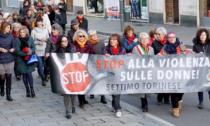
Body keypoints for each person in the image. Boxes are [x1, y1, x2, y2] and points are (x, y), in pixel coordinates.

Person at [158, 31, 189, 117]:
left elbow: (188, 57)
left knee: (181, 90)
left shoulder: (181, 46)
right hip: (170, 74)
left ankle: (179, 100)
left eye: (173, 37)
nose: (171, 39)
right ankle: (175, 108)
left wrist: (191, 54)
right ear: (167, 39)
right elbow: (159, 57)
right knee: (174, 91)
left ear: (176, 38)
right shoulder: (164, 48)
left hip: (181, 72)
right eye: (170, 37)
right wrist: (158, 56)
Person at [102, 34, 127, 118]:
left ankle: (114, 105)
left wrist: (128, 57)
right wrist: (105, 57)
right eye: (111, 39)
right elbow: (101, 60)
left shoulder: (122, 50)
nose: (112, 41)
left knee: (117, 91)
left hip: (119, 73)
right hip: (110, 73)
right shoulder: (106, 50)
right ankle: (118, 108)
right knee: (115, 91)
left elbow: (125, 61)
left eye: (114, 39)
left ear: (118, 41)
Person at [54, 35, 77, 119]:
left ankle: (73, 105)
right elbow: (51, 64)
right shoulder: (55, 52)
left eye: (66, 41)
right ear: (60, 43)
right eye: (63, 41)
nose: (66, 42)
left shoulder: (73, 50)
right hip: (63, 76)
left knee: (74, 93)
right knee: (66, 93)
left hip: (73, 75)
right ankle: (68, 111)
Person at [72, 30, 95, 108]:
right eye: (80, 36)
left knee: (85, 83)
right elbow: (70, 55)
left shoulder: (88, 44)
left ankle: (83, 98)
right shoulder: (73, 45)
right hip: (77, 67)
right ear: (76, 37)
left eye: (83, 36)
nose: (82, 38)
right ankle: (81, 101)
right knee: (80, 83)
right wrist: (74, 54)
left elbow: (93, 54)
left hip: (87, 66)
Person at [132, 32, 154, 112]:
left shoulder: (151, 49)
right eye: (142, 38)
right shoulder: (136, 49)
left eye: (146, 38)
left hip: (148, 72)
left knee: (146, 88)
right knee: (142, 89)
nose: (144, 40)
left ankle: (144, 103)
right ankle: (145, 104)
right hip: (140, 72)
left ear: (148, 40)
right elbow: (133, 60)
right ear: (140, 40)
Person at [151, 27, 170, 105]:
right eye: (156, 34)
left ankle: (167, 98)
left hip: (168, 65)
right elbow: (152, 54)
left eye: (159, 34)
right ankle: (160, 98)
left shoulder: (168, 42)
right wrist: (156, 55)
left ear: (164, 35)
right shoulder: (154, 43)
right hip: (159, 66)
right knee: (161, 82)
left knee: (168, 82)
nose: (157, 36)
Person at [192, 28, 210, 109]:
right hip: (200, 68)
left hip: (208, 69)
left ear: (207, 36)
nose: (203, 36)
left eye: (204, 35)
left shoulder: (209, 45)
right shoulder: (195, 46)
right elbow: (193, 57)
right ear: (198, 36)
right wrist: (198, 54)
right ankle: (201, 101)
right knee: (200, 85)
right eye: (201, 35)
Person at [15, 26, 36, 97]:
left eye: (23, 32)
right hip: (21, 60)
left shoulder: (30, 38)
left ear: (26, 32)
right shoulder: (17, 40)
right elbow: (17, 51)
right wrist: (25, 54)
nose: (22, 34)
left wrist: (31, 52)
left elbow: (33, 47)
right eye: (20, 32)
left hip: (29, 59)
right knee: (24, 74)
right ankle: (27, 89)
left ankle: (32, 89)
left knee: (29, 74)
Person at [88, 29, 107, 104]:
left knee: (102, 80)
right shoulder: (88, 43)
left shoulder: (101, 42)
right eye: (93, 35)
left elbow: (104, 51)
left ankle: (103, 96)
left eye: (95, 34)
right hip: (91, 64)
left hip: (100, 64)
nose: (95, 36)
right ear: (90, 36)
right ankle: (92, 92)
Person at [31, 18, 49, 86]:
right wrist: (38, 42)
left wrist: (46, 39)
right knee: (40, 65)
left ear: (42, 23)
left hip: (45, 49)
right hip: (37, 50)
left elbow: (48, 39)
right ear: (36, 24)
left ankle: (46, 75)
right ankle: (43, 79)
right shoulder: (33, 31)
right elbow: (32, 41)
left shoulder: (45, 30)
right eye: (38, 24)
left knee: (46, 65)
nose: (39, 26)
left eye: (40, 24)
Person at [0, 22, 15, 101]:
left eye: (10, 27)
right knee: (2, 77)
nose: (9, 29)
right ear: (3, 27)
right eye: (8, 27)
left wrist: (13, 49)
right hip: (1, 60)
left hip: (9, 59)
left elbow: (14, 46)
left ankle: (8, 94)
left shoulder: (11, 36)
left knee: (9, 76)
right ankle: (1, 86)